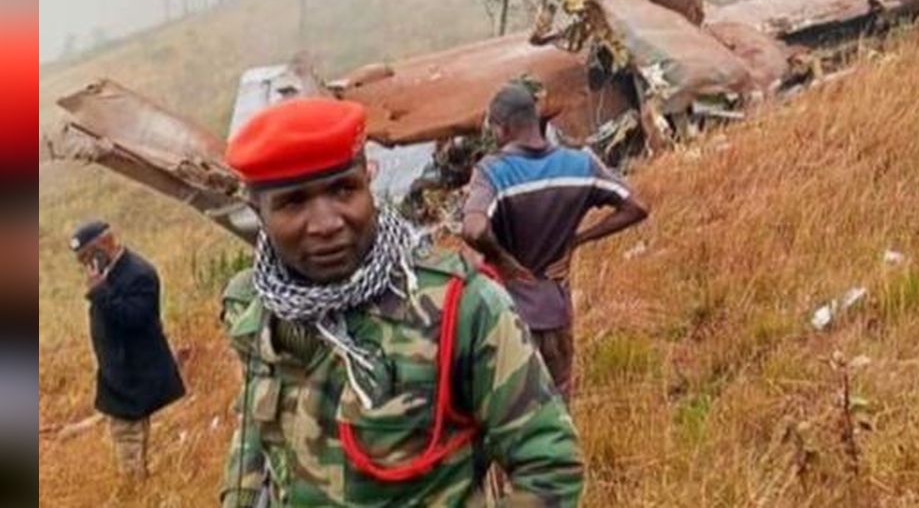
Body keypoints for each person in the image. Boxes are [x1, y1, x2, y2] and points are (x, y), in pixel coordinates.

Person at [219, 97, 582, 507]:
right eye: (293, 202)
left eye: (343, 190)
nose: (326, 223)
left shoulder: (461, 307)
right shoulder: (254, 307)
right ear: (258, 211)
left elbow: (549, 467)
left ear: (368, 181)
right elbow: (254, 430)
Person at [462, 85, 649, 402]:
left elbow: (474, 229)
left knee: (510, 412)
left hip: (505, 316)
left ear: (501, 128)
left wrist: (504, 261)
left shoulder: (493, 172)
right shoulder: (580, 165)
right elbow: (637, 207)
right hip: (557, 311)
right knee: (559, 408)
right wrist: (576, 241)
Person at [70, 220, 185, 479]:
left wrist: (100, 292)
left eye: (87, 255)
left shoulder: (139, 273)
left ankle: (133, 489)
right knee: (128, 433)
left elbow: (135, 318)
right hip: (118, 370)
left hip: (133, 372)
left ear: (104, 244)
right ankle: (137, 482)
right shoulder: (110, 272)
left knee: (127, 437)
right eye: (81, 260)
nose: (85, 264)